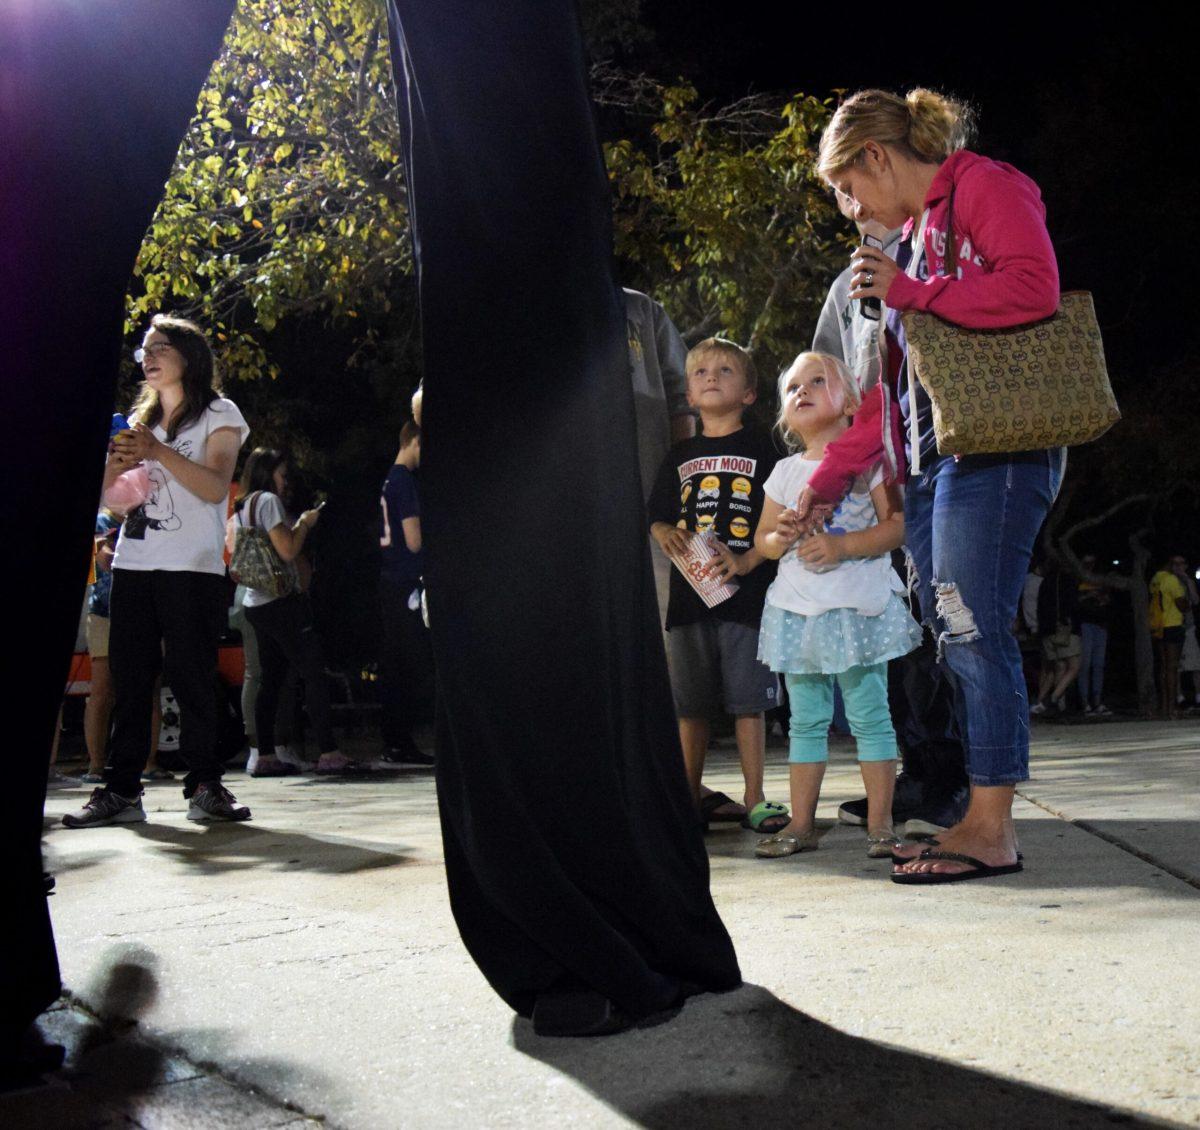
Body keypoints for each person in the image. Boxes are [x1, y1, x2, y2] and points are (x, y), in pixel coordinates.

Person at [808, 88, 1064, 883]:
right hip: (927, 464)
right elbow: (885, 390)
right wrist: (828, 478)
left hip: (996, 448)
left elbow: (1034, 287)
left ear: (878, 156)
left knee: (974, 628)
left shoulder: (986, 185)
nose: (850, 209)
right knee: (952, 631)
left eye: (848, 187)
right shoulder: (906, 240)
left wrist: (910, 291)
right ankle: (976, 814)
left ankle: (991, 828)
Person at [814, 189, 969, 837]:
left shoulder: (939, 250)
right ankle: (920, 773)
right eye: (840, 196)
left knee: (949, 622)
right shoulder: (845, 287)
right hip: (881, 478)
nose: (852, 205)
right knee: (896, 636)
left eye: (857, 186)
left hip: (950, 458)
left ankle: (962, 775)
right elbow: (827, 378)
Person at [64, 314, 252, 827]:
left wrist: (156, 451)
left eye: (159, 347)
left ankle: (205, 785)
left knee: (193, 679)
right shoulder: (138, 419)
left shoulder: (219, 413)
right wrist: (117, 463)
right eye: (143, 350)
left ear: (187, 356)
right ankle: (122, 791)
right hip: (134, 563)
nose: (146, 357)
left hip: (191, 567)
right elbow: (114, 500)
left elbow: (215, 487)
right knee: (130, 681)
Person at [753, 352, 919, 859]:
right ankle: (801, 825)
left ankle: (881, 825)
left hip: (857, 608)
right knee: (805, 720)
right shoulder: (784, 472)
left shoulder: (870, 461)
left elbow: (898, 526)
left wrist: (843, 546)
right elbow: (762, 541)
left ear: (850, 402)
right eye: (792, 387)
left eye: (817, 381)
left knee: (870, 715)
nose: (801, 391)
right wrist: (777, 537)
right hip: (799, 611)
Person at [647, 337, 788, 834]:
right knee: (691, 706)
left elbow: (780, 519)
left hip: (746, 594)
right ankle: (687, 799)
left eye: (725, 370)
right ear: (688, 389)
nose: (711, 376)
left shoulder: (767, 449)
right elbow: (659, 516)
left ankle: (755, 797)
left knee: (749, 703)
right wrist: (665, 532)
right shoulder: (680, 454)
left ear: (749, 393)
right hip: (690, 597)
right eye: (701, 370)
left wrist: (750, 560)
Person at [233, 447, 352, 775]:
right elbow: (287, 550)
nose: (287, 482)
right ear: (268, 473)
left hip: (255, 602)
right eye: (283, 475)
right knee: (313, 671)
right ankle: (329, 751)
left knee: (269, 680)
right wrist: (304, 523)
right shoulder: (269, 502)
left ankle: (264, 755)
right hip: (281, 602)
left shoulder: (242, 506)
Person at [80, 511, 169, 783]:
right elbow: (101, 558)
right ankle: (96, 766)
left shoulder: (149, 516)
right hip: (105, 612)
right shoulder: (102, 521)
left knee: (150, 688)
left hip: (147, 612)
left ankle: (149, 762)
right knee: (103, 690)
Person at [377, 421, 435, 767]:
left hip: (390, 579)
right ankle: (400, 740)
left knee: (396, 664)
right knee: (410, 666)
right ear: (414, 441)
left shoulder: (388, 479)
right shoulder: (405, 482)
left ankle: (395, 739)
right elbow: (414, 541)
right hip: (405, 582)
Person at [1149, 554, 1194, 719]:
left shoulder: (1155, 578)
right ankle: (1171, 708)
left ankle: (1164, 707)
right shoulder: (1172, 580)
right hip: (1173, 625)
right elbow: (1183, 605)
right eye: (1175, 564)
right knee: (1172, 668)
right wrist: (1187, 602)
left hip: (1159, 627)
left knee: (1163, 667)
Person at [1034, 562, 1081, 715]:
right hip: (1064, 628)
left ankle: (1055, 705)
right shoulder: (1067, 581)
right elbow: (1072, 605)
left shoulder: (1045, 582)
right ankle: (1053, 699)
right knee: (1074, 666)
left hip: (1046, 629)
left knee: (1059, 666)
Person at [1075, 555, 1113, 715]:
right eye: (1087, 563)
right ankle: (1085, 703)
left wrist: (1103, 598)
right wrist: (1089, 596)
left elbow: (1108, 599)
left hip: (1100, 624)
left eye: (1092, 563)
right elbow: (1075, 601)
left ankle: (1097, 701)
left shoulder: (1100, 579)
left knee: (1098, 665)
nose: (1090, 566)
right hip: (1085, 624)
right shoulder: (1078, 579)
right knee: (1085, 664)